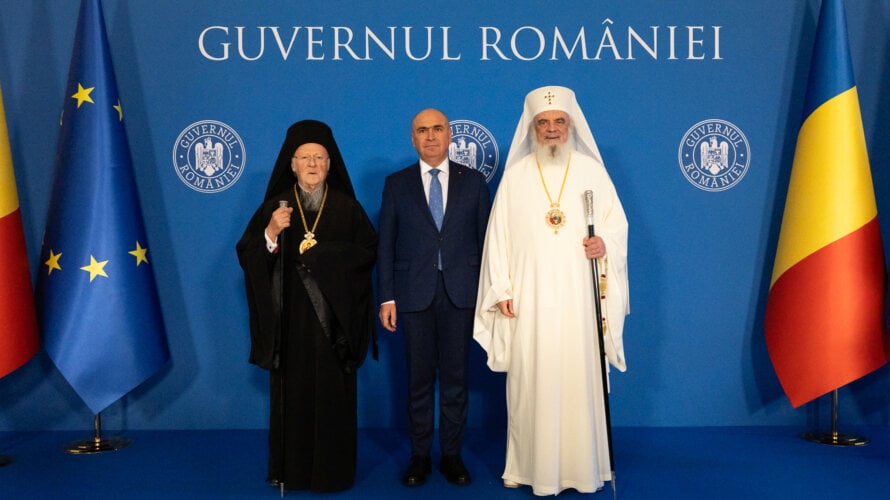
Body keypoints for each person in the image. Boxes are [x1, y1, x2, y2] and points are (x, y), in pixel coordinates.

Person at [474, 86, 630, 495]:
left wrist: (605, 245)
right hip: (529, 301)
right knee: (531, 383)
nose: (551, 129)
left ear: (571, 125)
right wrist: (501, 287)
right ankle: (529, 468)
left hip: (579, 298)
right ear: (532, 128)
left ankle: (583, 468)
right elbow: (498, 240)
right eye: (543, 123)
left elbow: (616, 227)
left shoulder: (592, 172)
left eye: (559, 121)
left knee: (577, 376)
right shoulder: (515, 176)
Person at [236, 120, 377, 493]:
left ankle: (333, 474)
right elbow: (248, 255)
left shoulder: (347, 209)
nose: (312, 164)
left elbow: (367, 254)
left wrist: (322, 258)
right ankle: (293, 472)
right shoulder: (275, 208)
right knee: (293, 398)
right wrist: (270, 234)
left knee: (333, 401)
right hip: (292, 326)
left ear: (330, 165)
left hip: (335, 328)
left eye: (319, 157)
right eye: (305, 158)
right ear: (292, 164)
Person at [377, 108, 491, 487]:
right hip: (413, 297)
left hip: (462, 295)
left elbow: (487, 243)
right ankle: (420, 456)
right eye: (422, 130)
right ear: (412, 138)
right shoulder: (397, 183)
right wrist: (387, 297)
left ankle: (453, 456)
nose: (430, 136)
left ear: (450, 135)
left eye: (437, 129)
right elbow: (386, 244)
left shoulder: (473, 182)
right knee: (419, 381)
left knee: (457, 379)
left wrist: (490, 294)